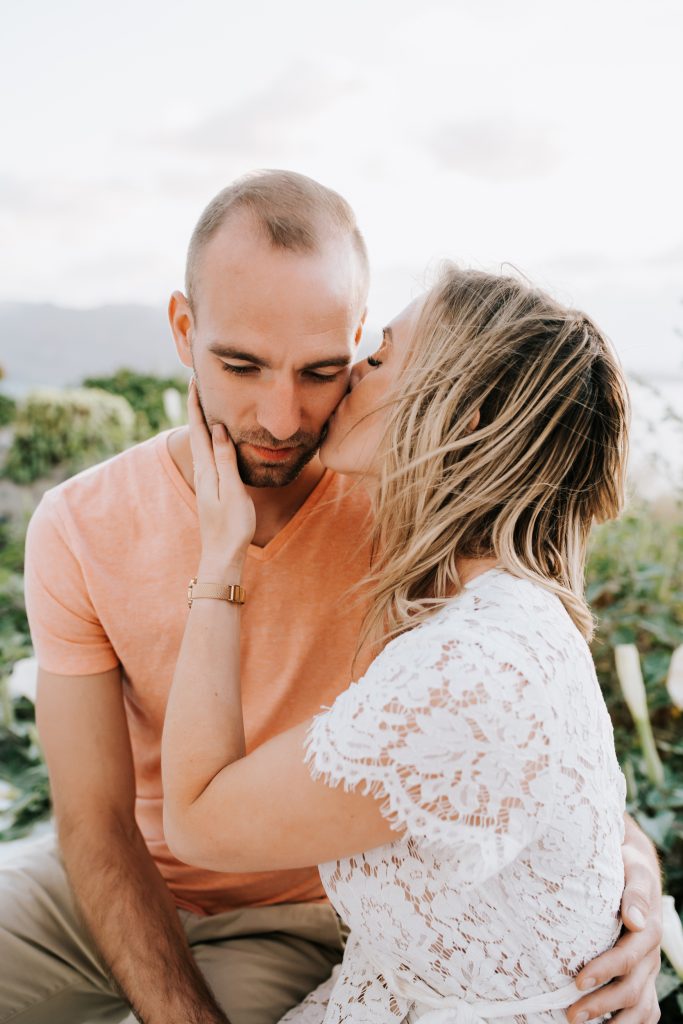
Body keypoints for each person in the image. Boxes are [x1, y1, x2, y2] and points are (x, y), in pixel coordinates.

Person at [5, 171, 659, 1024]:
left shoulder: (416, 515)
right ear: (183, 330)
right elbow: (94, 820)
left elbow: (526, 741)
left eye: (323, 371)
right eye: (240, 365)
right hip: (112, 880)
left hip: (301, 914)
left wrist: (633, 883)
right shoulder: (80, 522)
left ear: (357, 342)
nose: (281, 418)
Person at [162, 265, 656, 1024]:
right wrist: (639, 869)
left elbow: (198, 820)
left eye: (383, 355)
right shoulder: (504, 616)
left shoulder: (467, 672)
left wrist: (221, 558)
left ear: (464, 414)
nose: (353, 372)